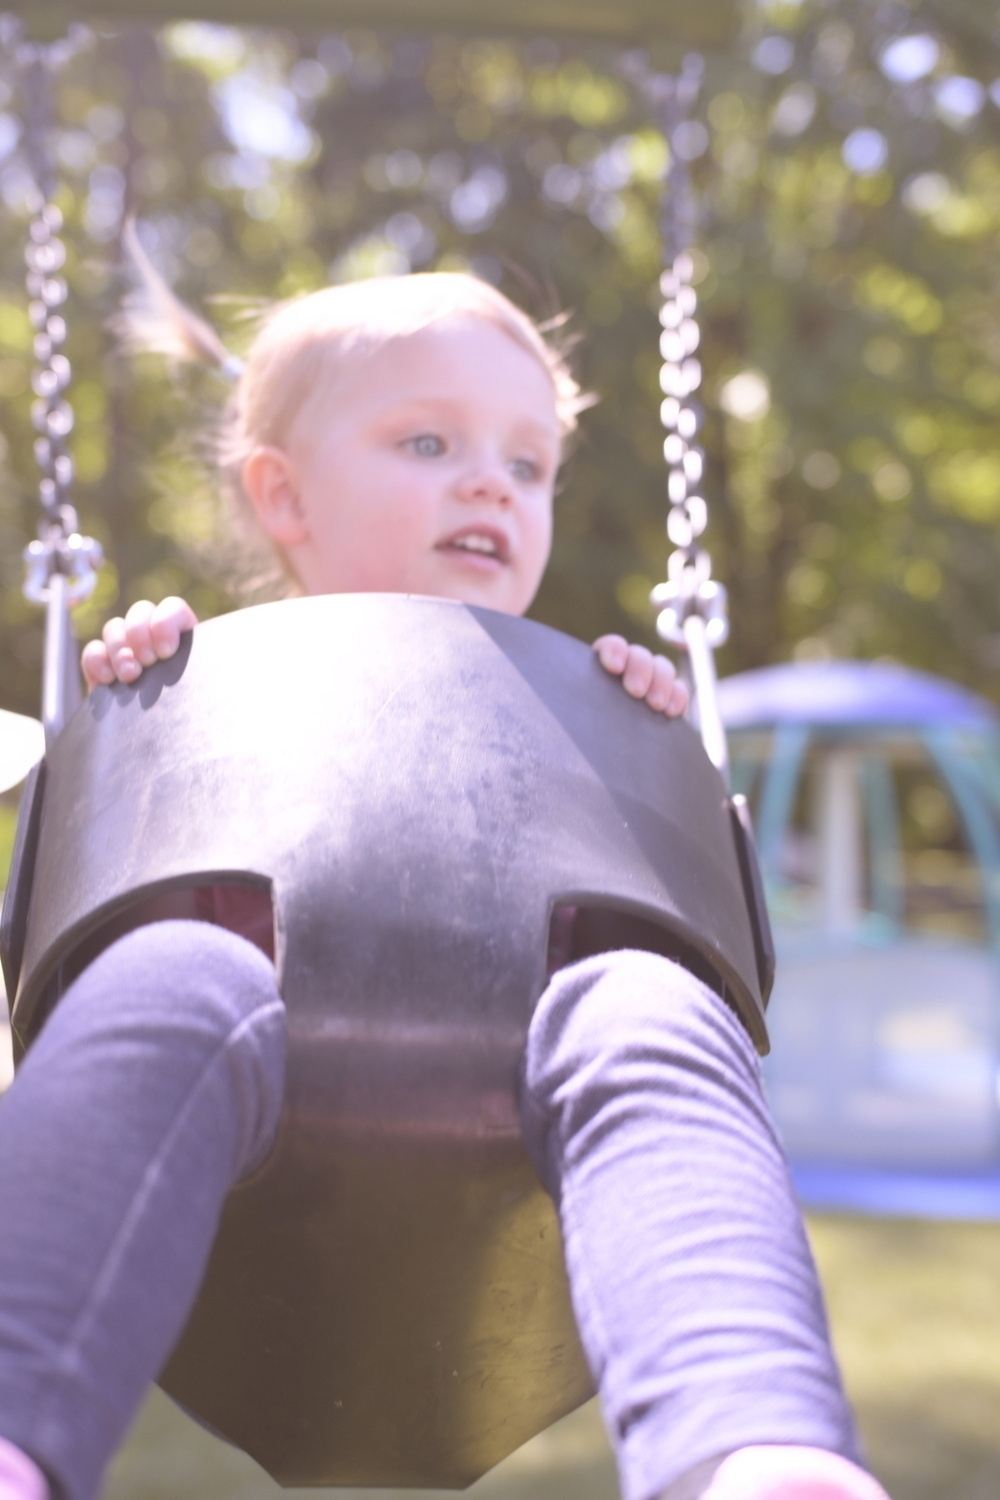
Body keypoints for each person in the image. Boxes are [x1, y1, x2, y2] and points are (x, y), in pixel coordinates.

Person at [0, 269, 889, 1500]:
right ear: (283, 494)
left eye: (528, 467)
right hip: (246, 1071)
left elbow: (637, 918)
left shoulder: (594, 708)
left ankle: (752, 1450)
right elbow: (137, 870)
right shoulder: (195, 676)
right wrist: (137, 693)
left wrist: (639, 742)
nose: (490, 483)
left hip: (532, 1057)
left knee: (650, 1011)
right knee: (170, 975)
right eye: (428, 440)